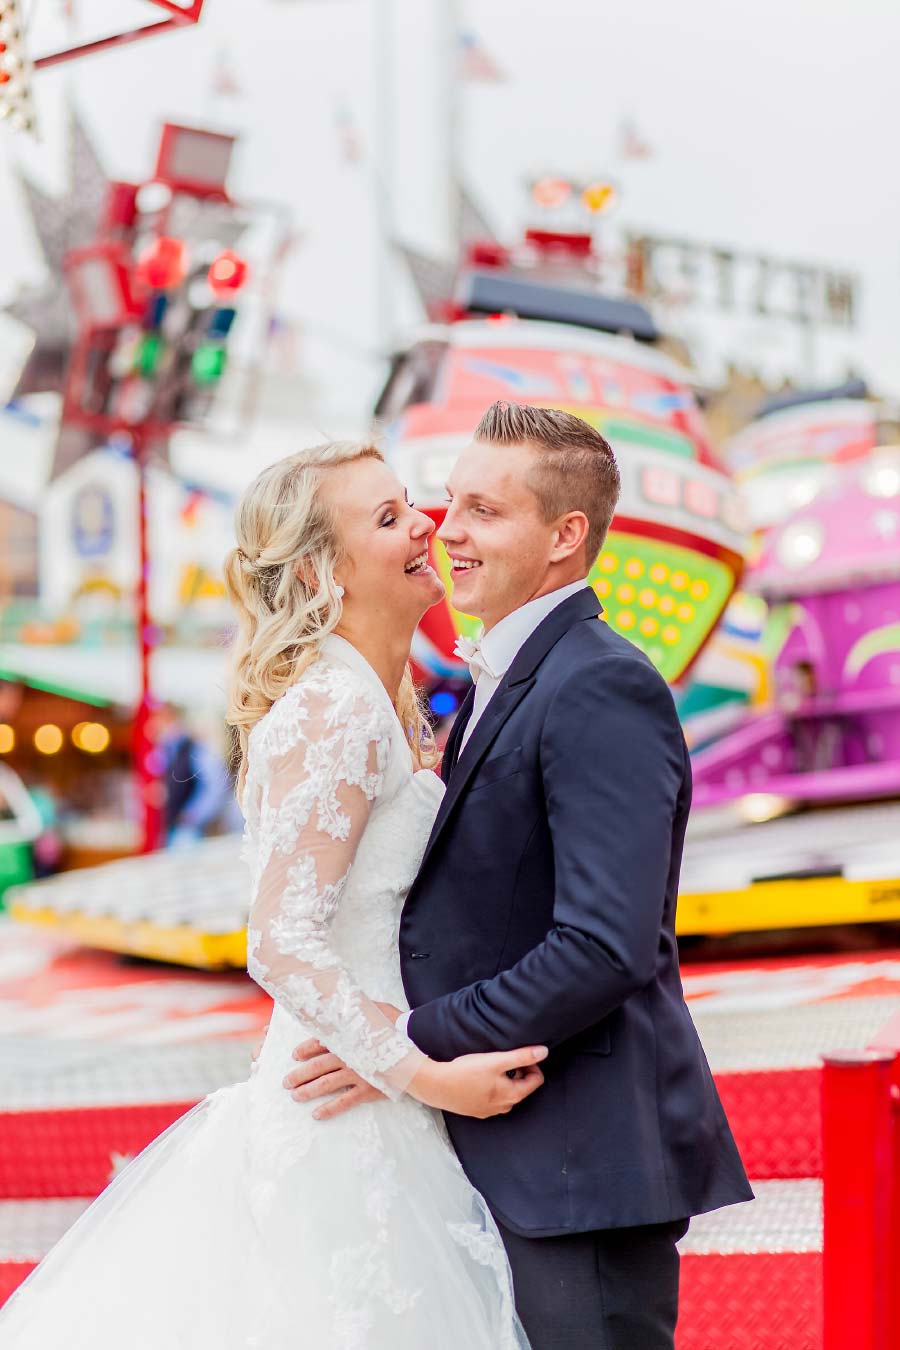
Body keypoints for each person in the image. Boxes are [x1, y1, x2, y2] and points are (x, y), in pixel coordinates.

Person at [0, 440, 545, 1349]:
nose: (426, 524)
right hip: (346, 1114)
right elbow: (282, 940)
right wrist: (418, 1070)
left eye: (410, 503)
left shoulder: (383, 695)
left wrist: (402, 1049)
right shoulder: (335, 708)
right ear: (324, 571)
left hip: (376, 1090)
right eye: (387, 518)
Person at [284, 403, 754, 1349]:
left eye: (484, 511)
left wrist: (408, 1044)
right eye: (449, 502)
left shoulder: (600, 683)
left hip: (579, 1164)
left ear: (564, 536)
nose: (444, 529)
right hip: (505, 1151)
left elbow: (603, 944)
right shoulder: (509, 672)